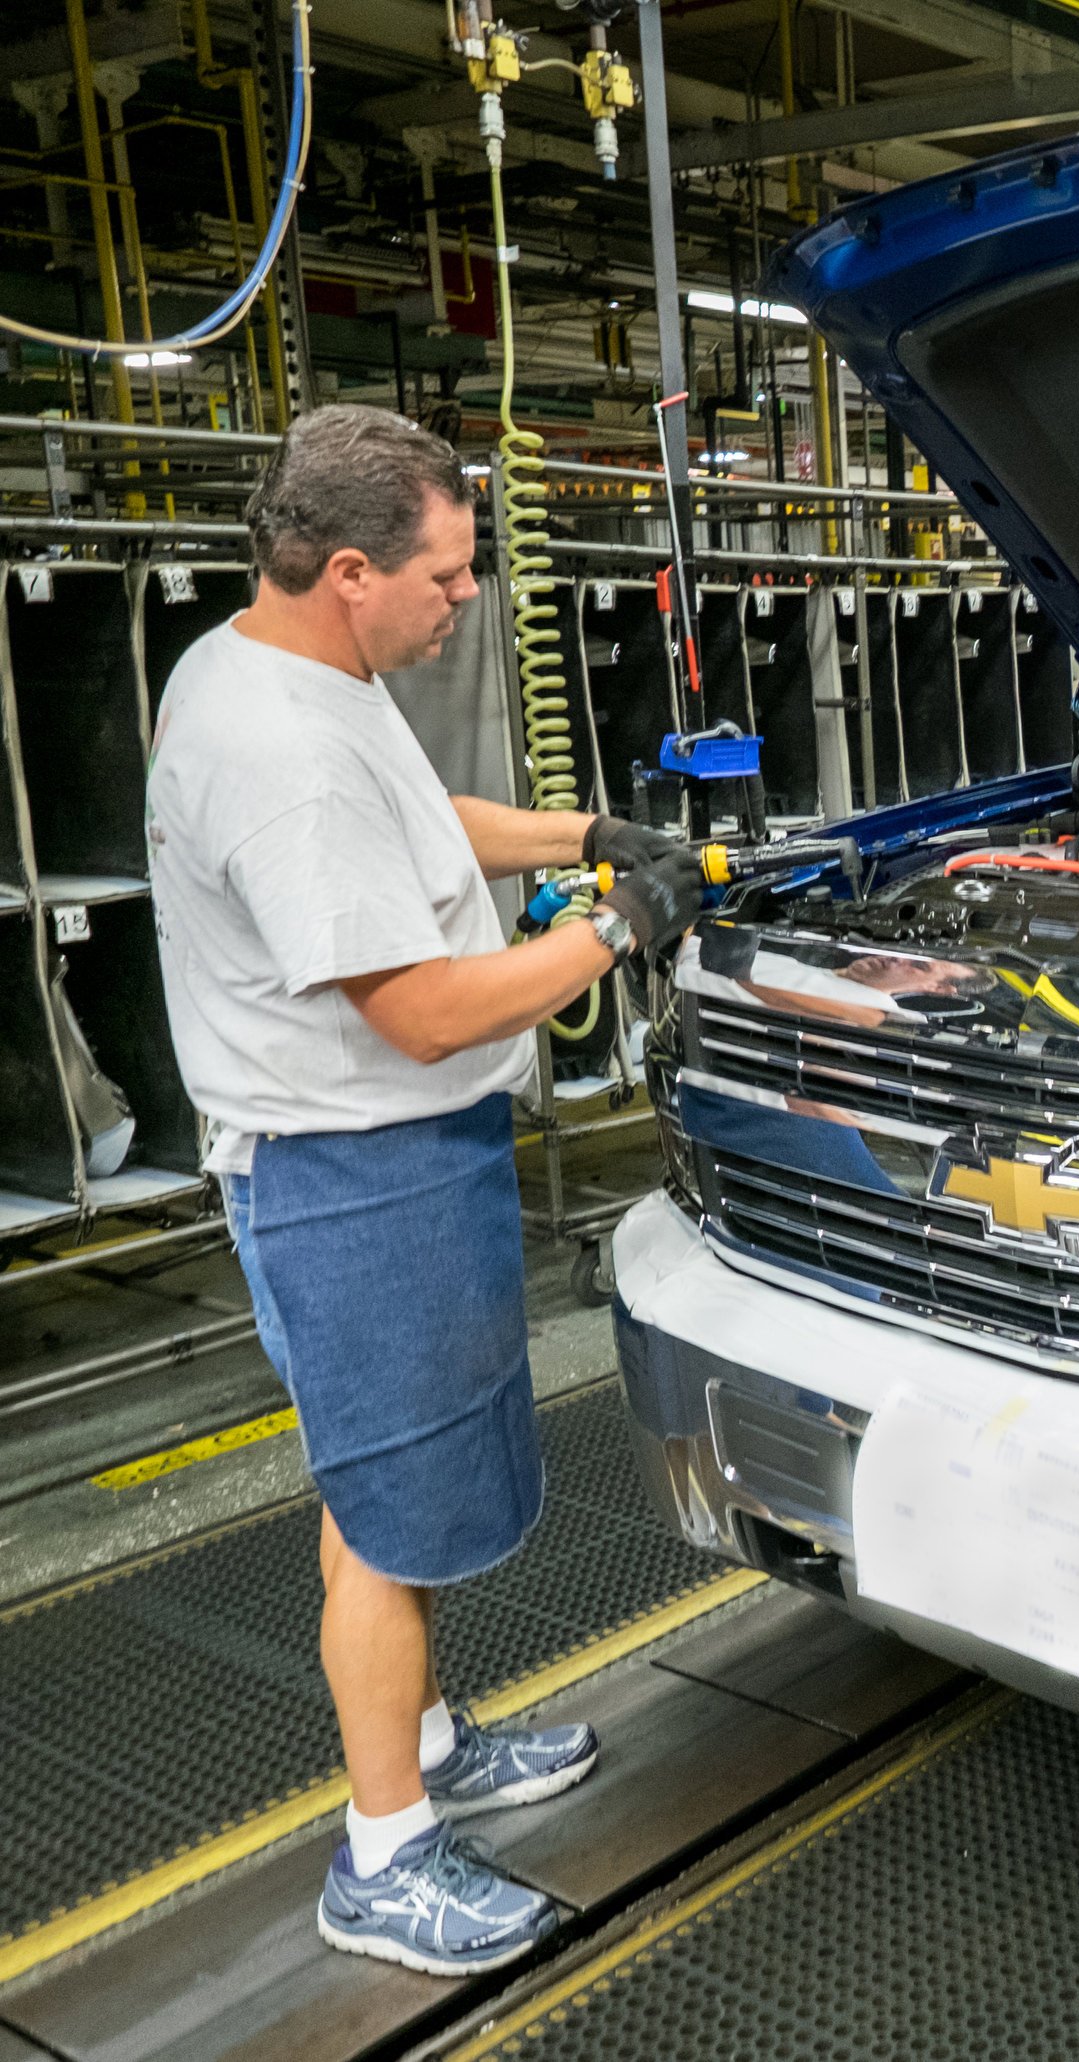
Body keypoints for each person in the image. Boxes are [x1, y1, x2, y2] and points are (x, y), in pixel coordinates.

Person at [146, 406, 704, 1975]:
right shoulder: (279, 759)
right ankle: (383, 1855)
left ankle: (431, 1740)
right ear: (346, 570)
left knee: (368, 1492)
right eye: (448, 576)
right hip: (352, 1176)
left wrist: (590, 835)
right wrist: (617, 930)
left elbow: (430, 827)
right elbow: (426, 1008)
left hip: (382, 1158)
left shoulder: (291, 666)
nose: (465, 600)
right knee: (385, 1521)